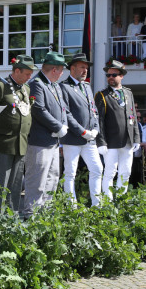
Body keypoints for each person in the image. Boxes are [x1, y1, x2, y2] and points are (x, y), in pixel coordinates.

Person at [21, 52, 68, 216]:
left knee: (52, 178)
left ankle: (45, 213)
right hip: (39, 141)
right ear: (54, 69)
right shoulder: (37, 84)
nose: (62, 73)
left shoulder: (54, 85)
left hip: (53, 141)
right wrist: (58, 126)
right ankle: (31, 214)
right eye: (61, 70)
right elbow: (38, 109)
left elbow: (62, 109)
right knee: (37, 180)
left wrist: (64, 125)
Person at [0, 55, 36, 212]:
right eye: (27, 74)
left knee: (16, 184)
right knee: (1, 182)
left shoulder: (26, 89)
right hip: (3, 142)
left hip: (21, 143)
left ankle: (12, 216)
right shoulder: (0, 87)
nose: (30, 77)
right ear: (17, 70)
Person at [59, 53, 103, 206]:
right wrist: (82, 131)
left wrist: (96, 129)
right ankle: (71, 207)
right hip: (73, 138)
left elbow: (94, 110)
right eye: (82, 67)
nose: (85, 71)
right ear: (72, 68)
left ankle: (97, 205)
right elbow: (66, 113)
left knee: (97, 169)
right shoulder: (64, 86)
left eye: (86, 68)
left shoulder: (86, 86)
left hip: (90, 138)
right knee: (70, 172)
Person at [95, 60, 141, 200]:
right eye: (108, 75)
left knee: (125, 172)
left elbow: (132, 116)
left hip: (127, 140)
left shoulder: (128, 93)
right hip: (111, 142)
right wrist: (101, 142)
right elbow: (99, 121)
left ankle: (121, 201)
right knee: (110, 173)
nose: (110, 77)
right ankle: (108, 204)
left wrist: (137, 138)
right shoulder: (102, 95)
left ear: (121, 76)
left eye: (114, 74)